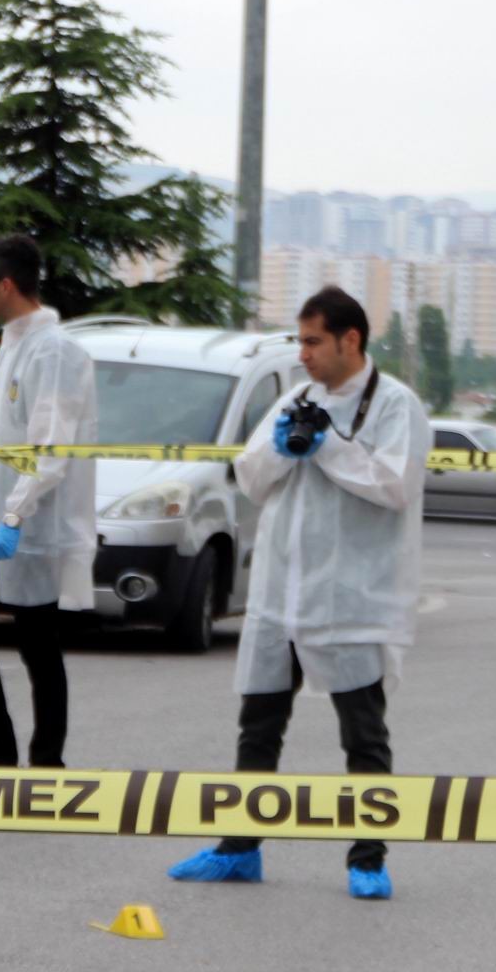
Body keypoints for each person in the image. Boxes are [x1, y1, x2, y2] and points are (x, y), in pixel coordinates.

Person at [168, 286, 431, 899]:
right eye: (301, 341)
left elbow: (396, 485)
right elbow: (251, 476)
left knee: (362, 734)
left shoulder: (398, 405)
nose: (305, 354)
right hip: (281, 590)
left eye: (314, 342)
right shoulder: (296, 396)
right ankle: (239, 848)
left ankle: (368, 859)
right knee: (258, 721)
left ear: (351, 340)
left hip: (352, 597)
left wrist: (330, 446)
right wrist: (288, 449)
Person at [0, 233, 97, 768]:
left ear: (7, 284)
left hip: (29, 525)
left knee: (37, 640)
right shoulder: (11, 345)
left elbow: (49, 448)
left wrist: (13, 515)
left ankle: (47, 761)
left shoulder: (54, 353)